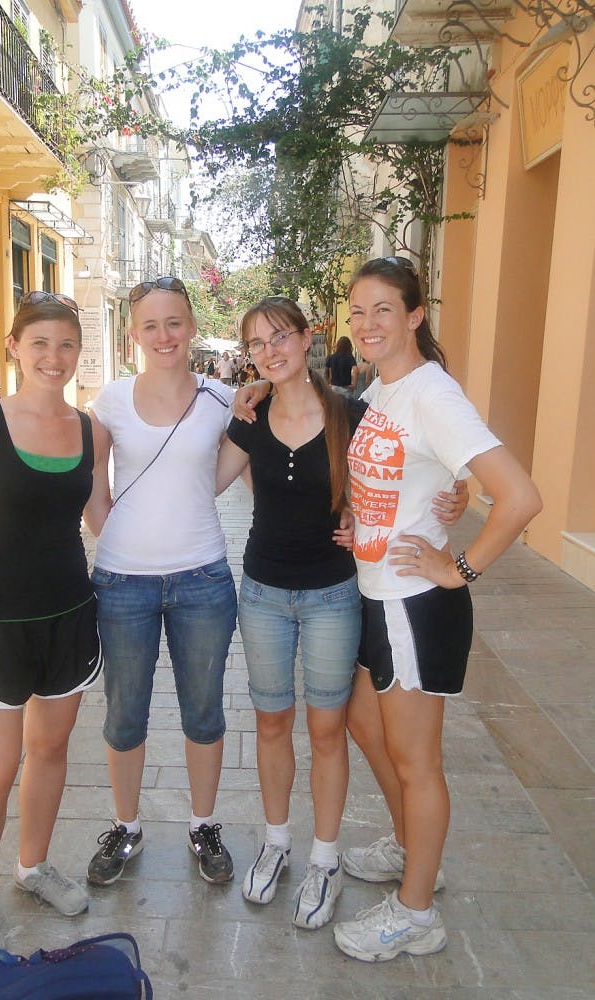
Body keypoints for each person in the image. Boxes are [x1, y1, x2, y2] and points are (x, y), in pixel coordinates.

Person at [221, 297, 469, 932]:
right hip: (264, 593)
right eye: (257, 343)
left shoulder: (353, 414)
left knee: (328, 731)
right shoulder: (248, 416)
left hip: (335, 593)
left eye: (281, 336)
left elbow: (413, 470)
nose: (270, 351)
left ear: (308, 339)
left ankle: (324, 858)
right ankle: (277, 842)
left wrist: (453, 495)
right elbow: (208, 480)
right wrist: (230, 403)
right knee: (271, 725)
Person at [331, 256, 542, 962]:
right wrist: (369, 526)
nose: (367, 324)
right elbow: (420, 477)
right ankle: (411, 845)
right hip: (378, 594)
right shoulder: (386, 389)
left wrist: (460, 568)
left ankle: (417, 912)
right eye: (358, 311)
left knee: (416, 759)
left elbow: (519, 497)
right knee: (364, 721)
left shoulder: (431, 394)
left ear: (416, 315)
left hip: (416, 605)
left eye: (383, 309)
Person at [0, 291, 103, 949]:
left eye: (66, 344)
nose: (53, 357)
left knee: (51, 749)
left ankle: (32, 866)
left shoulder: (92, 430)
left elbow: (103, 519)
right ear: (14, 346)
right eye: (39, 343)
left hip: (69, 617)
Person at [85, 276, 238, 889]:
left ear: (192, 326)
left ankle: (203, 825)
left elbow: (242, 462)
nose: (164, 335)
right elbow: (92, 477)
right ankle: (127, 827)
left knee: (204, 713)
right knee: (125, 715)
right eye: (150, 325)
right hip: (123, 584)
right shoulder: (111, 401)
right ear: (133, 333)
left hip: (203, 577)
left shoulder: (224, 398)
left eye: (174, 322)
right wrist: (109, 534)